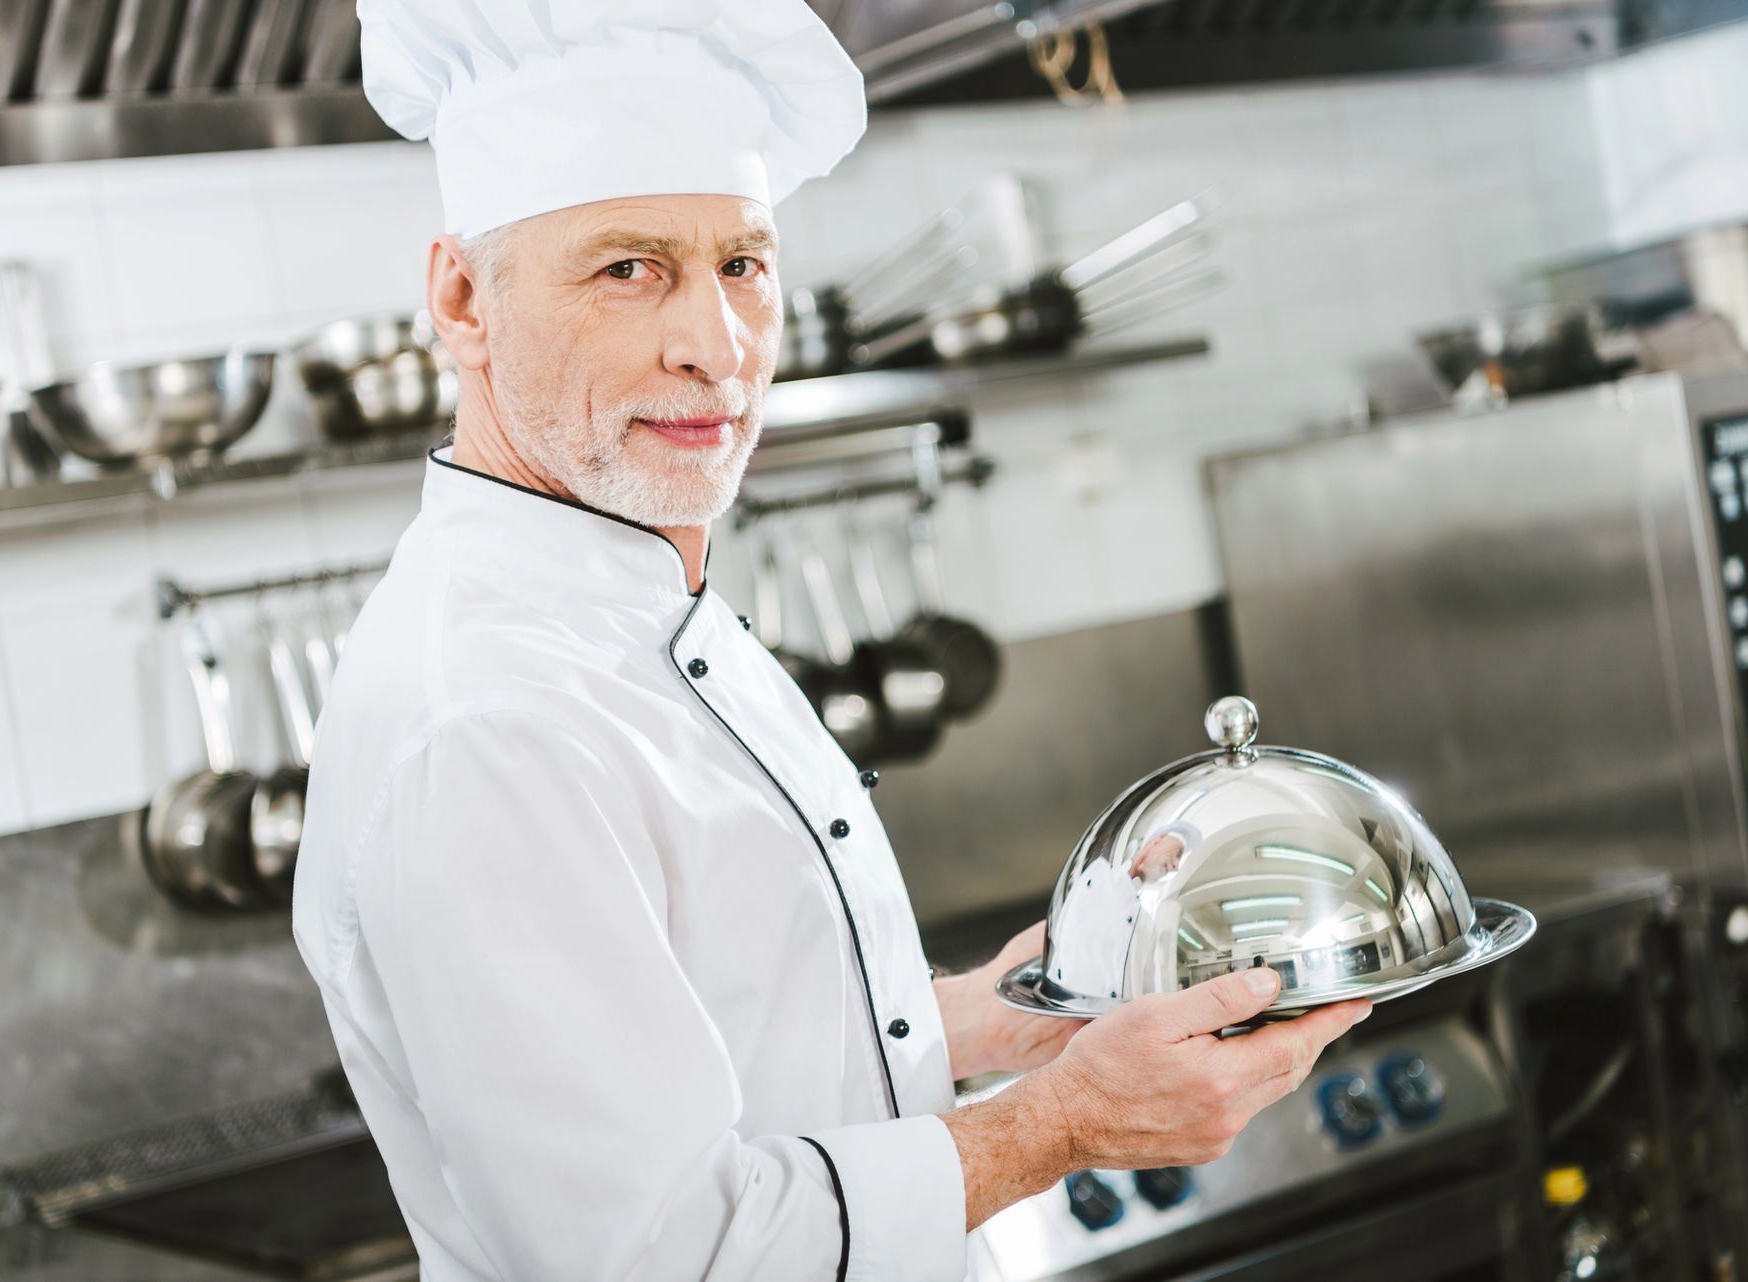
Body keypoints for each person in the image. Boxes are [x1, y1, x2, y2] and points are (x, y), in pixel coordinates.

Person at [291, 2, 1372, 1278]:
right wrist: (1069, 1122)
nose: (715, 349)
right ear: (464, 298)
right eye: (626, 268)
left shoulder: (637, 599)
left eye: (742, 265)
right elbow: (668, 1255)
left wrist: (999, 1016)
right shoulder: (486, 723)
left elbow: (744, 1040)